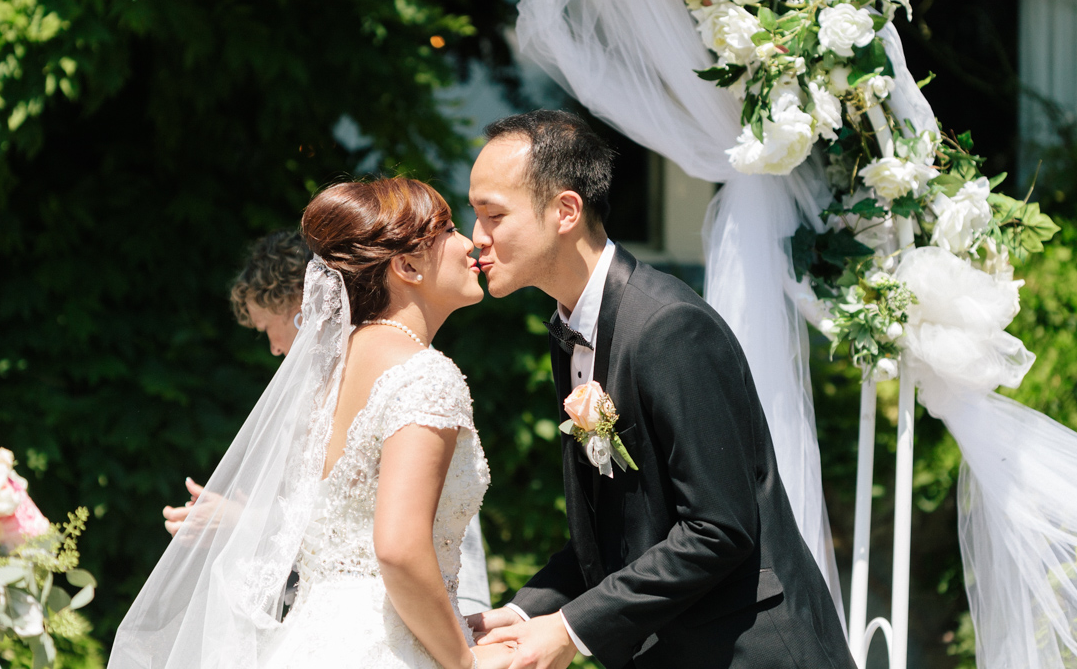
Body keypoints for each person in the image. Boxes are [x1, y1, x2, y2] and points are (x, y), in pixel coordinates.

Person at [464, 111, 855, 669]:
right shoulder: (572, 330)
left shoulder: (670, 327)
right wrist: (527, 612)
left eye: (493, 215)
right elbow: (615, 531)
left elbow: (719, 529)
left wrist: (569, 631)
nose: (476, 239)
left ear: (565, 211)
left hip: (752, 653)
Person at [111, 178, 514, 669]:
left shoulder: (331, 376)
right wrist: (464, 661)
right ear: (406, 265)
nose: (469, 241)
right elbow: (400, 549)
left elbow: (335, 528)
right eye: (449, 229)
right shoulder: (424, 373)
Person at [163, 227, 493, 615]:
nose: (273, 348)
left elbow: (421, 522)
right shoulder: (335, 384)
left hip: (409, 604)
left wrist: (243, 520)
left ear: (301, 309)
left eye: (269, 328)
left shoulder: (407, 377)